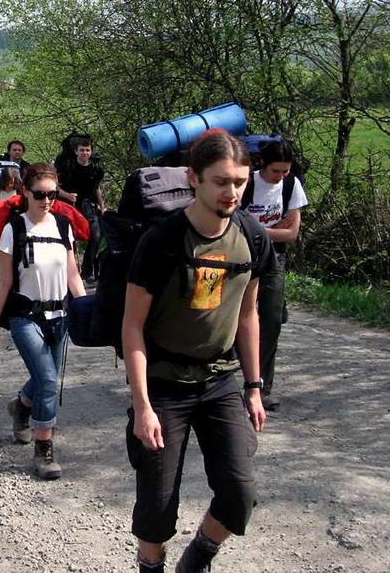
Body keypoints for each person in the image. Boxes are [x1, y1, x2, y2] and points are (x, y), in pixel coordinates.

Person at [122, 129, 273, 573]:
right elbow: (131, 327)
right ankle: (151, 566)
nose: (232, 192)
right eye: (221, 181)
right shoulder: (162, 242)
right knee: (156, 506)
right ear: (193, 178)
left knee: (239, 492)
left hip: (221, 379)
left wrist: (254, 385)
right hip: (164, 384)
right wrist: (142, 406)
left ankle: (199, 557)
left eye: (240, 182)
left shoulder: (253, 238)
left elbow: (249, 315)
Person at [0, 162, 86, 480]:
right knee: (47, 381)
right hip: (25, 316)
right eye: (40, 194)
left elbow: (72, 272)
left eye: (52, 194)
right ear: (26, 192)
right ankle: (44, 451)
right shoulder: (13, 229)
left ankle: (20, 407)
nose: (47, 200)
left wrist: (84, 309)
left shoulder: (62, 226)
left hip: (59, 316)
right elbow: (3, 282)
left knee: (47, 377)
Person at [242, 140, 308, 413]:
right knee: (234, 317)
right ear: (262, 166)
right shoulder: (246, 184)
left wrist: (256, 229)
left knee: (271, 320)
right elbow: (232, 225)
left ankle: (261, 387)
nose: (281, 176)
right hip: (242, 256)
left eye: (285, 171)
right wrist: (270, 229)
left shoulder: (292, 185)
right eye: (275, 172)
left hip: (274, 258)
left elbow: (292, 234)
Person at [57, 137, 106, 281]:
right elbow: (55, 187)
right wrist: (68, 195)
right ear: (76, 151)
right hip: (68, 206)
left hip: (88, 206)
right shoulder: (67, 167)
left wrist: (102, 205)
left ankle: (87, 271)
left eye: (87, 150)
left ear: (91, 152)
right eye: (82, 150)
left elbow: (96, 188)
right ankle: (70, 271)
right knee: (69, 238)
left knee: (95, 236)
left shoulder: (96, 169)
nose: (85, 153)